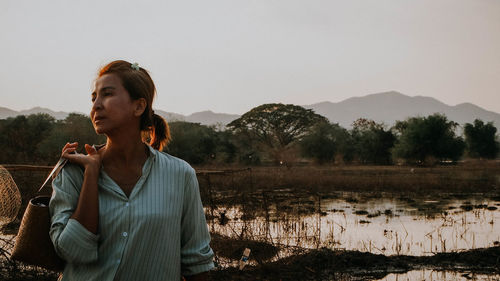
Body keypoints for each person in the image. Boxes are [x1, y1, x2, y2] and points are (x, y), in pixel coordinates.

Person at [49, 60, 214, 281]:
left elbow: (197, 262)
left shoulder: (180, 174)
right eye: (93, 97)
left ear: (138, 106)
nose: (96, 105)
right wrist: (91, 175)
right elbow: (72, 250)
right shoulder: (74, 171)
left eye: (107, 94)